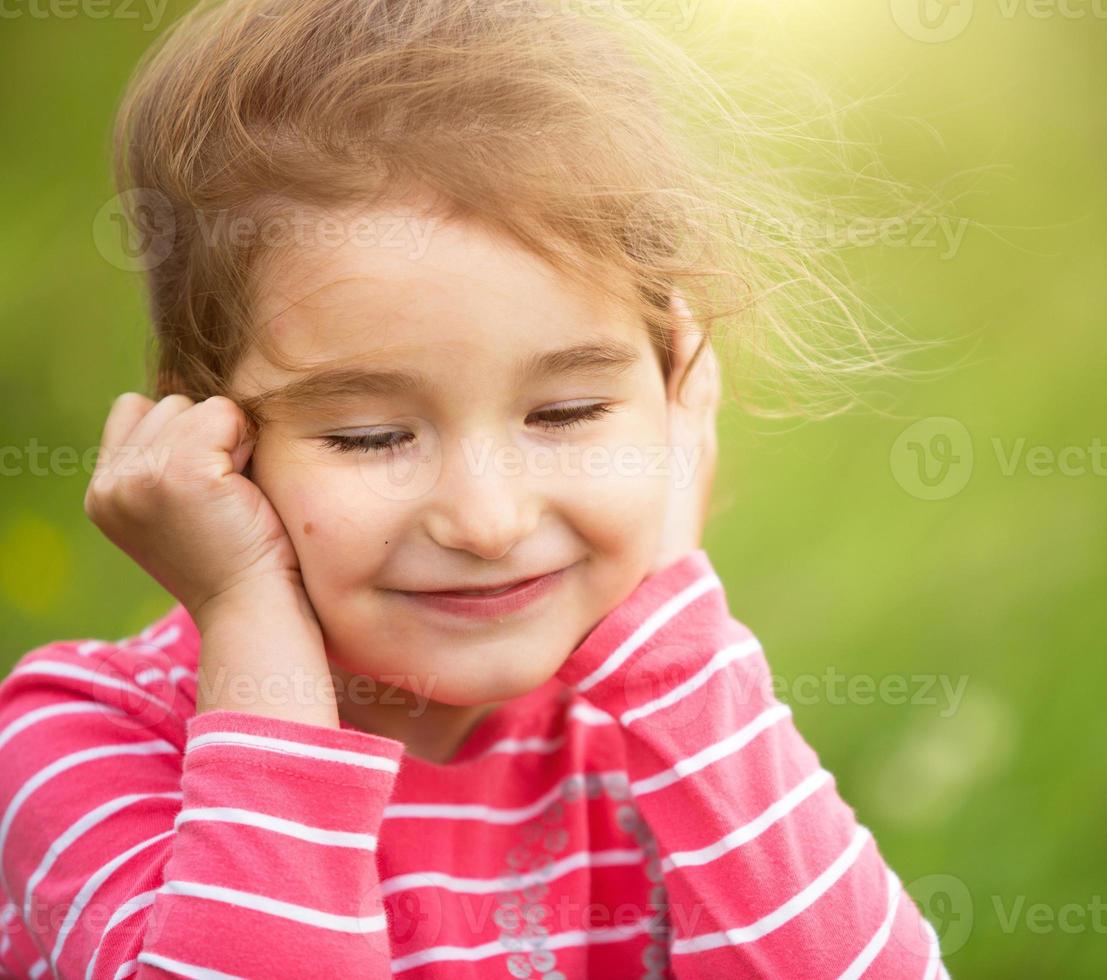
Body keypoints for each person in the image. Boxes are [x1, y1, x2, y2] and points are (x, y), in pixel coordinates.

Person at [0, 0, 950, 976]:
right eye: (371, 435)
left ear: (672, 386)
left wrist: (679, 641)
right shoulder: (85, 740)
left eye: (567, 412)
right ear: (212, 439)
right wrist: (250, 613)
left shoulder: (662, 741)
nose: (488, 520)